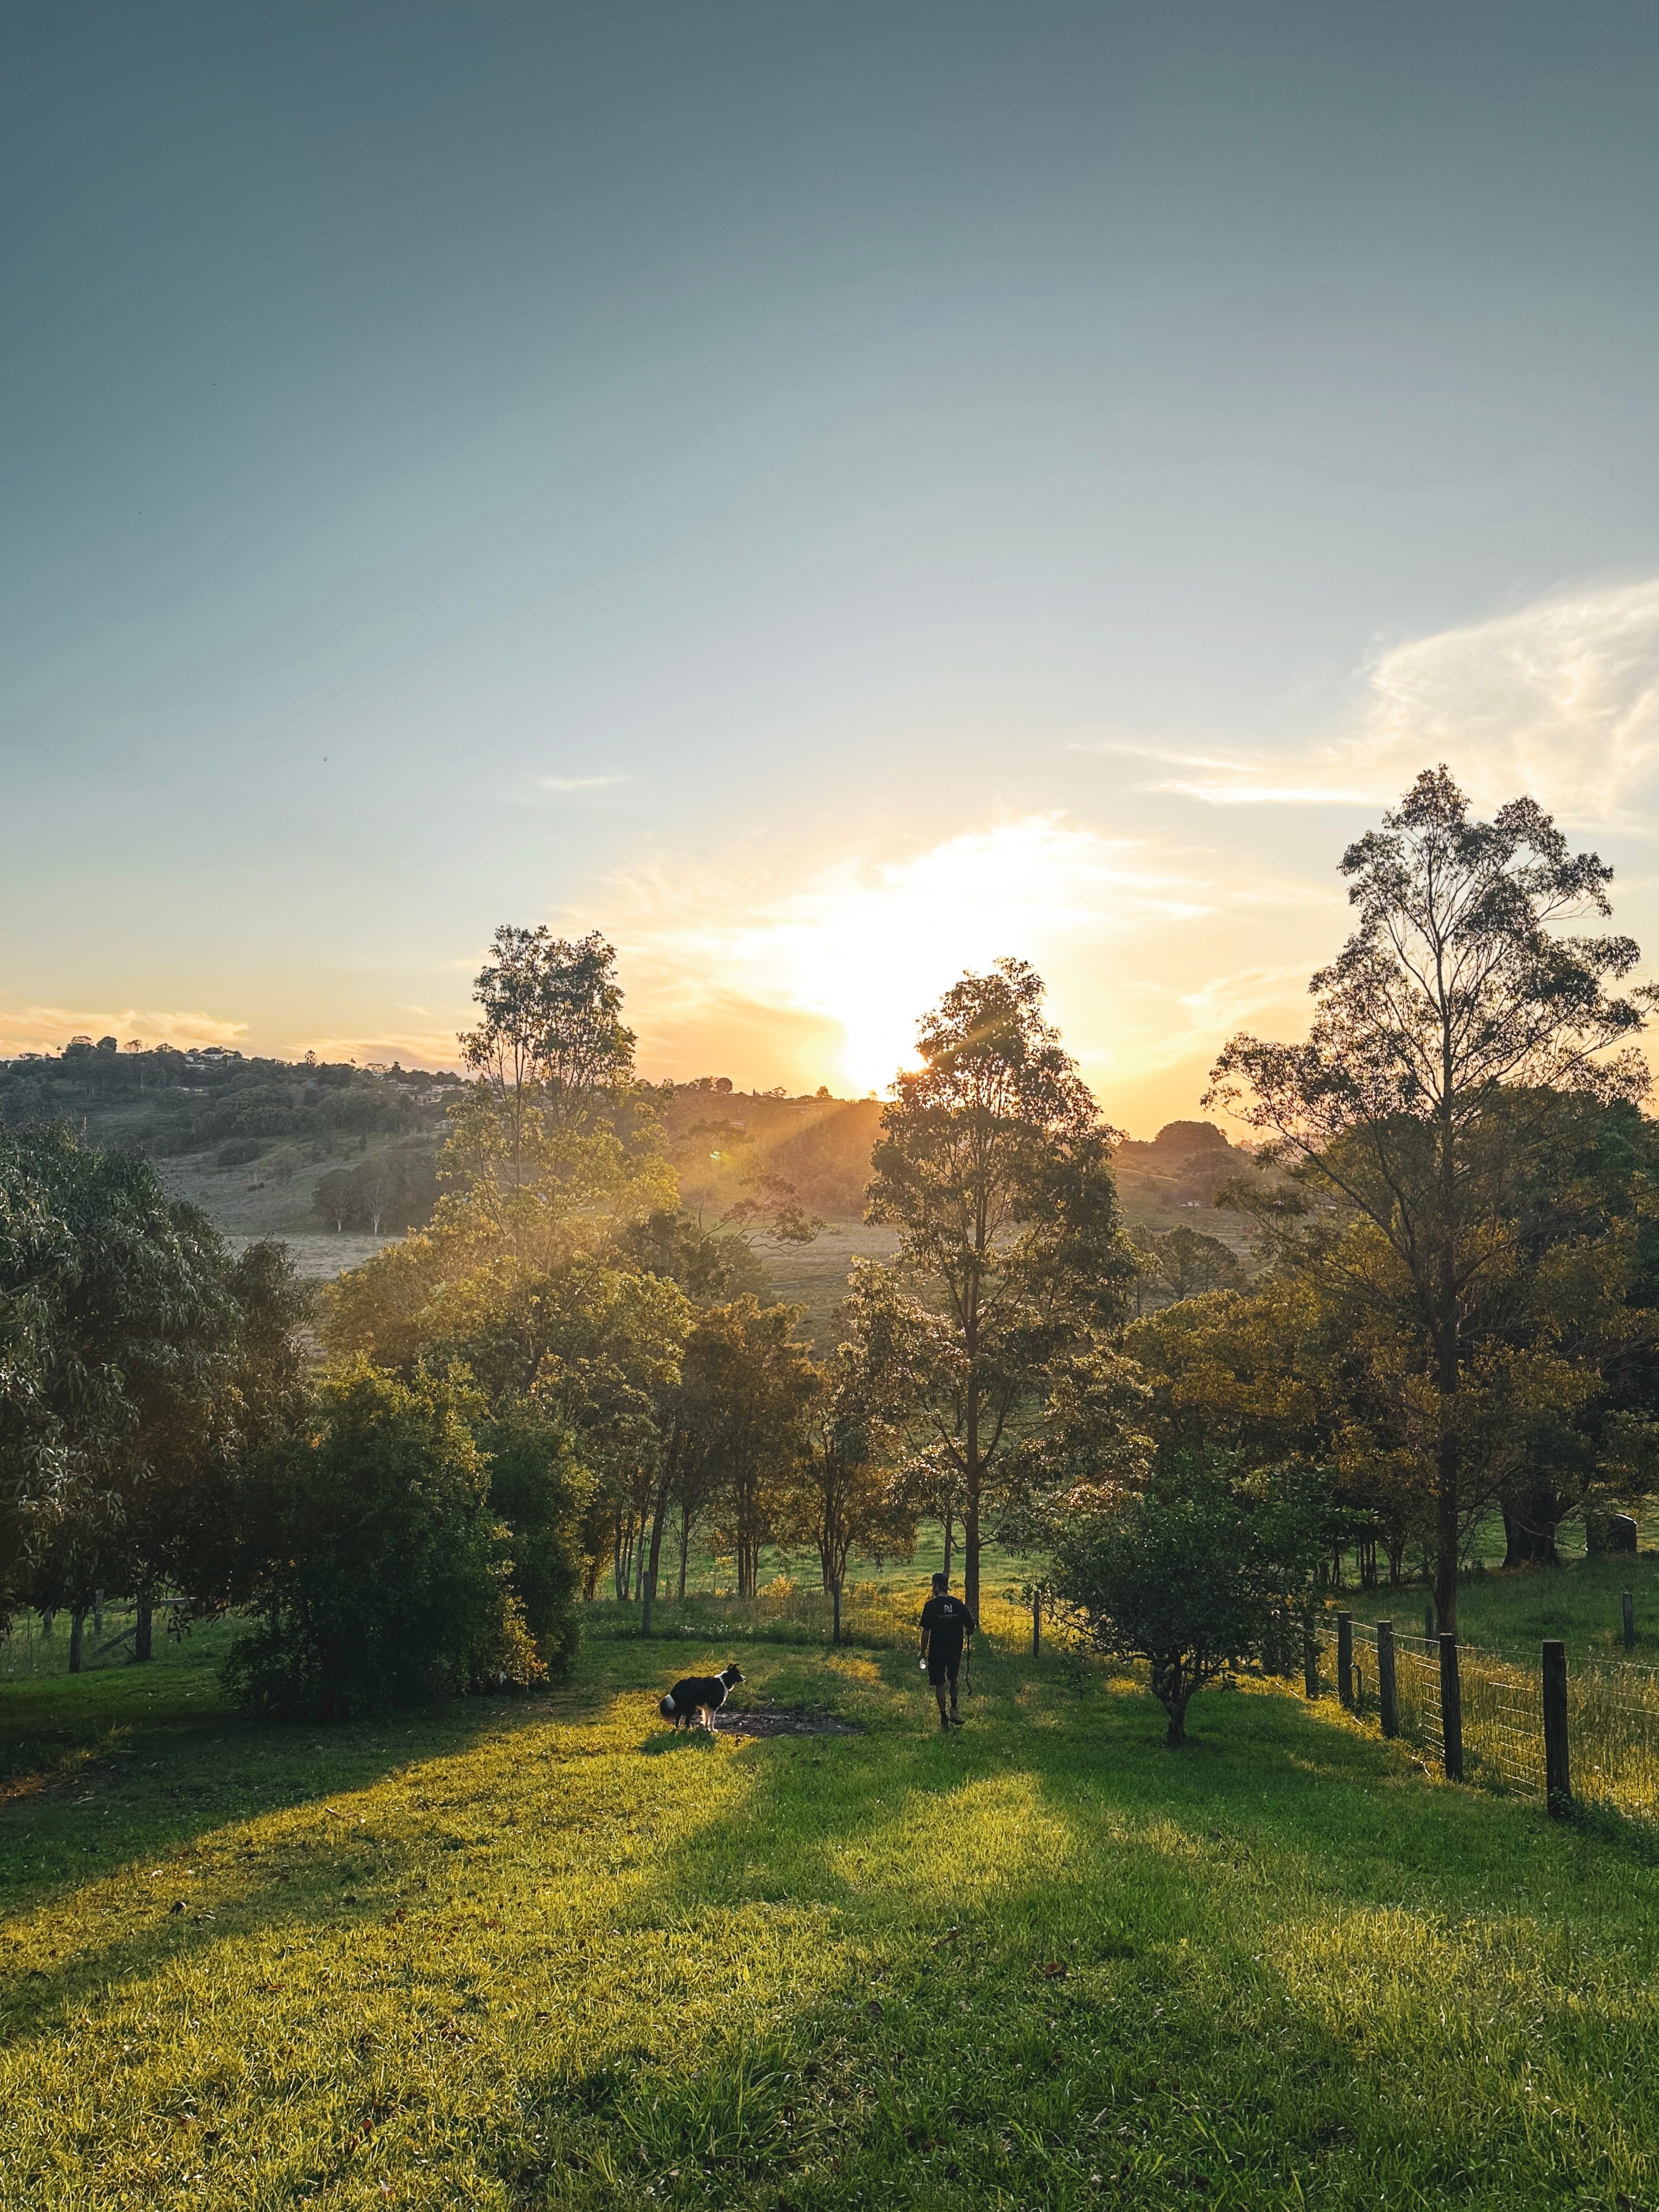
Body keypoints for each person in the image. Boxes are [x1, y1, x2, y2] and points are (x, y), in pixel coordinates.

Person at [918, 1571, 976, 1731]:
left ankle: (944, 1718)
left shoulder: (931, 1606)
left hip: (937, 1650)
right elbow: (971, 1626)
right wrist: (968, 1632)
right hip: (954, 1650)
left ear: (937, 1586)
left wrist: (922, 1652)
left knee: (939, 1684)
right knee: (953, 1679)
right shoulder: (958, 1604)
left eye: (933, 1585)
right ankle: (955, 1709)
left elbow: (926, 1632)